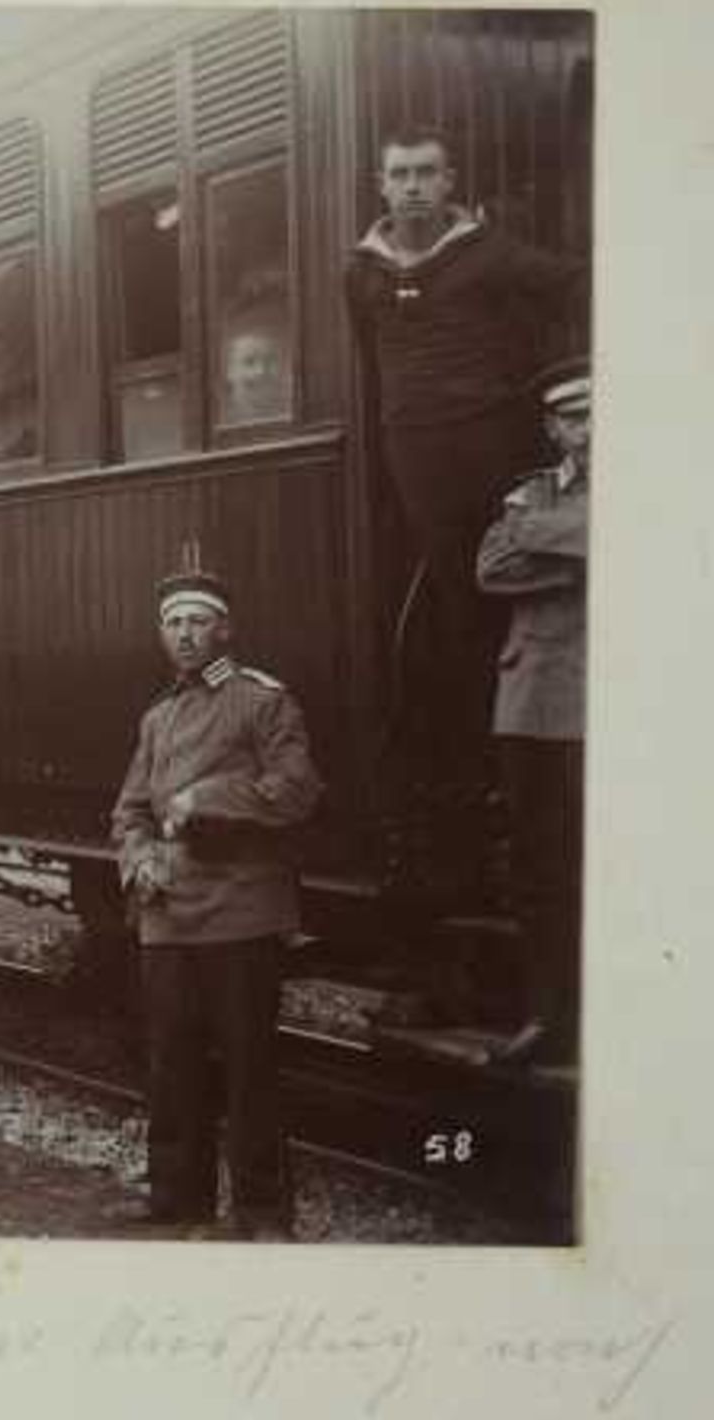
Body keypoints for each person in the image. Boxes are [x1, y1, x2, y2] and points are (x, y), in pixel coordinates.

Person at [344, 125, 586, 767]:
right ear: (382, 185)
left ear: (450, 182)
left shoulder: (490, 254)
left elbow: (574, 286)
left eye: (427, 172)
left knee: (509, 577)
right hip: (415, 451)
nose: (414, 187)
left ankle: (529, 743)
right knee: (454, 593)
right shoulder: (362, 272)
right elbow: (370, 364)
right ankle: (479, 754)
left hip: (491, 437)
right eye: (401, 174)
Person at [110, 570, 324, 1238]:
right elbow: (130, 810)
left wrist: (205, 800)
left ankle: (262, 1212)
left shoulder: (263, 702)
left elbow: (297, 791)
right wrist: (136, 858)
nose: (185, 634)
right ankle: (177, 1198)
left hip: (242, 910)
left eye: (198, 621)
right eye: (173, 623)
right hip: (167, 914)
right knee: (170, 1065)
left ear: (224, 628)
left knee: (249, 1066)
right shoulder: (158, 716)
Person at [476, 364, 590, 1066]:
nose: (592, 430)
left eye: (603, 412)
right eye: (576, 418)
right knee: (542, 870)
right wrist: (583, 560)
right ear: (554, 428)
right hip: (532, 705)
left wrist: (540, 537)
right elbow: (488, 568)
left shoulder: (533, 505)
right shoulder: (533, 489)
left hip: (606, 707)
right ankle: (550, 1016)